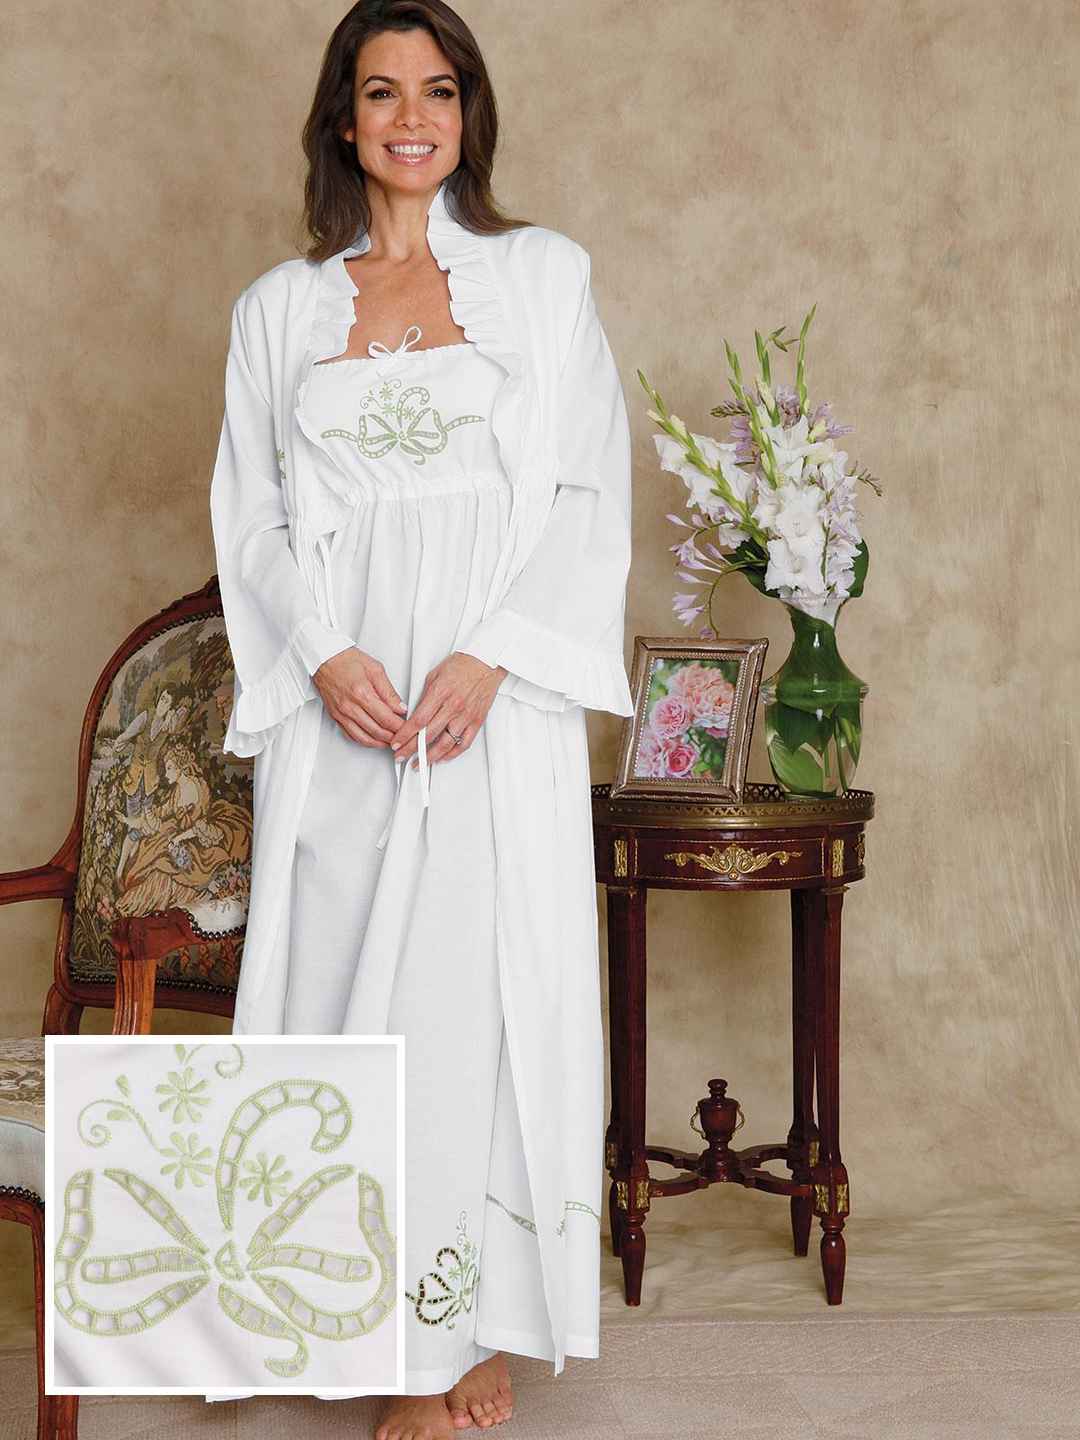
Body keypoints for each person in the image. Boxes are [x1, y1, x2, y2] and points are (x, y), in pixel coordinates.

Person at [207, 1, 634, 1435]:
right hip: (347, 709)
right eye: (382, 92)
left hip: (482, 708)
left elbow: (585, 485)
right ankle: (352, 1306)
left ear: (469, 114)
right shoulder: (279, 309)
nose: (412, 118)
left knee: (470, 1004)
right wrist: (324, 655)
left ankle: (460, 1330)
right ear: (344, 119)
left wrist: (494, 658)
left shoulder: (541, 277)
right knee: (347, 1002)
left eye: (438, 91)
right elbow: (252, 514)